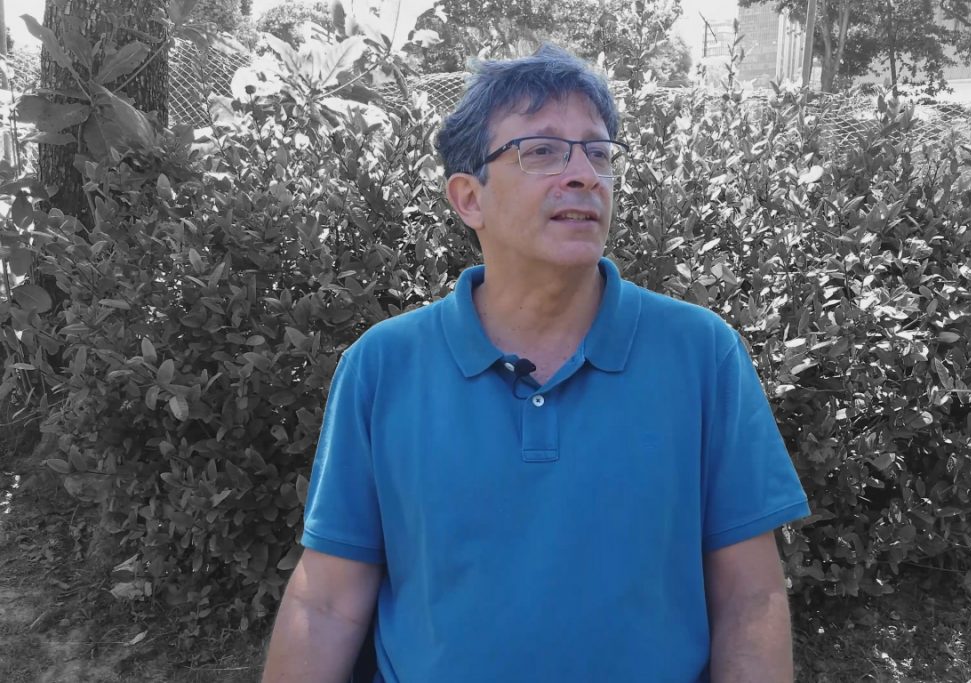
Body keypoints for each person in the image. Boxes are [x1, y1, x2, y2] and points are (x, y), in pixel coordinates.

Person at [262, 44, 809, 683]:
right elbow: (326, 603)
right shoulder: (382, 366)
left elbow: (751, 599)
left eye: (598, 152)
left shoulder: (702, 354)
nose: (584, 175)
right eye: (542, 151)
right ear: (469, 198)